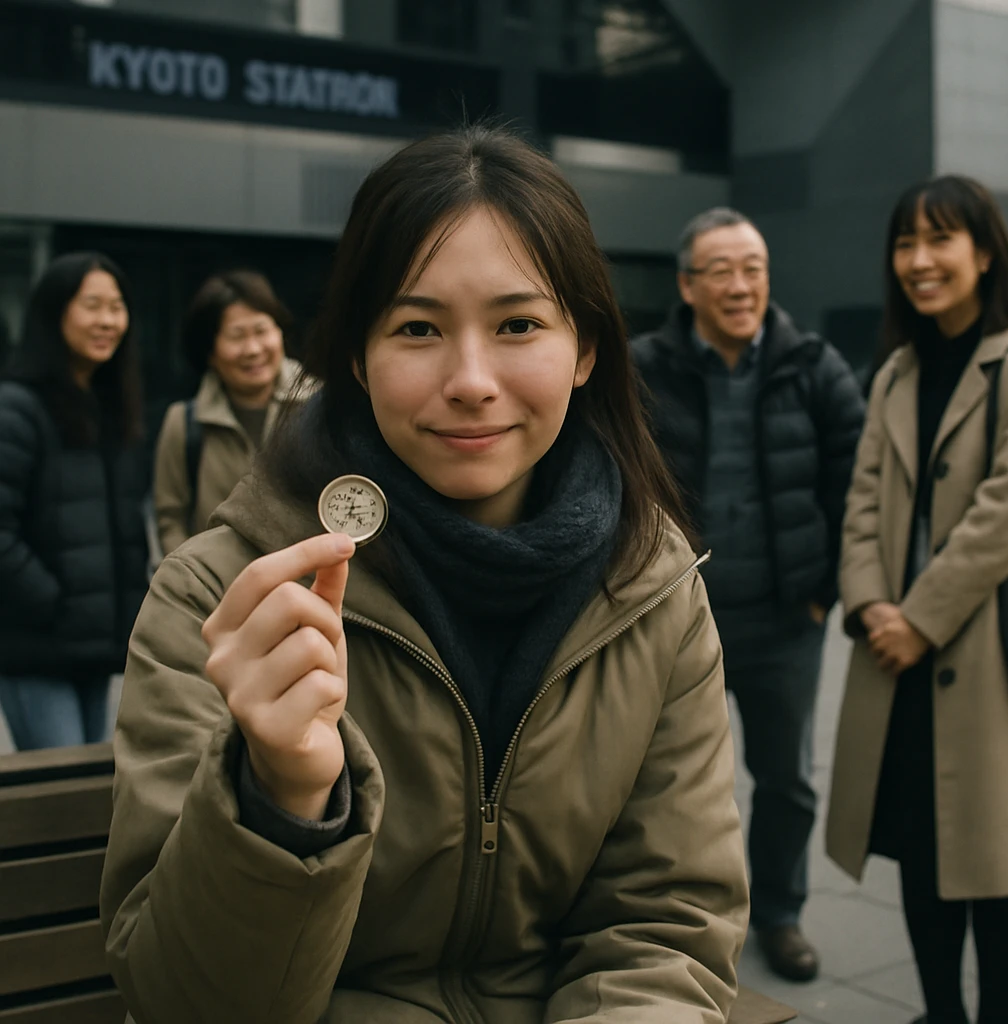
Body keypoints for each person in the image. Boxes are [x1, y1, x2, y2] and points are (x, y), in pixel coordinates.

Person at [99, 126, 750, 1024]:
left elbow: (663, 927)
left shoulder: (656, 591)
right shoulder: (217, 599)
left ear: (587, 347)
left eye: (519, 324)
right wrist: (281, 800)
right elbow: (182, 1001)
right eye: (418, 328)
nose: (471, 380)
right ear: (358, 359)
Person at [632, 208, 865, 982]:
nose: (742, 286)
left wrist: (822, 592)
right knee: (661, 781)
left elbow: (857, 484)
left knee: (787, 780)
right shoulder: (644, 368)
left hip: (783, 618)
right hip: (671, 618)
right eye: (723, 270)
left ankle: (780, 915)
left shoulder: (812, 363)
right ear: (687, 285)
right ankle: (667, 921)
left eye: (754, 268)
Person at [827, 176, 1008, 1024]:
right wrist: (873, 607)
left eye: (939, 240)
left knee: (995, 855)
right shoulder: (898, 370)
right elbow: (863, 500)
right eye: (906, 243)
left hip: (980, 655)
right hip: (893, 650)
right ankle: (941, 1012)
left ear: (983, 254)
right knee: (915, 839)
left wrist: (921, 619)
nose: (919, 260)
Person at [0, 252, 148, 750]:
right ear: (54, 312)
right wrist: (52, 601)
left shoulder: (109, 407)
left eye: (117, 306)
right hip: (36, 647)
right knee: (56, 805)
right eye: (93, 305)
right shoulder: (17, 407)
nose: (109, 320)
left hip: (91, 649)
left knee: (89, 796)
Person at [152, 269, 301, 555]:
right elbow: (170, 518)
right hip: (218, 594)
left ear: (279, 332)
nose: (253, 349)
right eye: (236, 336)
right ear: (210, 352)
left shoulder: (321, 409)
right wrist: (191, 587)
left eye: (261, 331)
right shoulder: (185, 422)